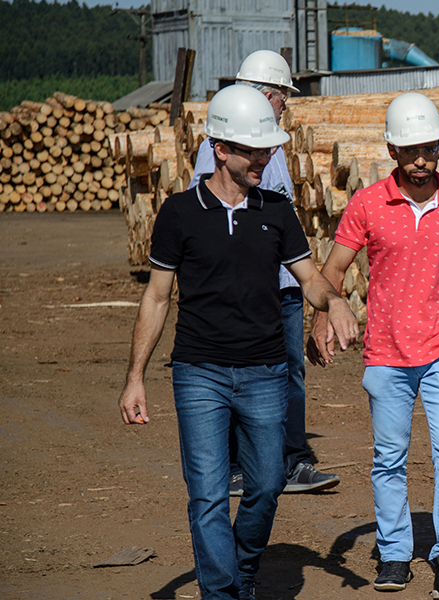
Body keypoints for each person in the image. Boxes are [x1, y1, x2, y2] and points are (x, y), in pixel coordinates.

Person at [117, 85, 359, 600]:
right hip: (199, 373)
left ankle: (241, 572)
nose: (264, 158)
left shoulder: (276, 211)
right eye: (253, 149)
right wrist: (135, 377)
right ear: (220, 149)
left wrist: (334, 302)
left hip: (266, 372)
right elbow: (158, 299)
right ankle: (224, 593)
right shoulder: (179, 213)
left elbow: (310, 278)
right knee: (206, 496)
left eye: (268, 148)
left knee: (267, 486)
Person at [307, 92, 439, 599]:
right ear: (391, 149)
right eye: (410, 150)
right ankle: (394, 555)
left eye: (429, 149)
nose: (420, 160)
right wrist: (321, 318)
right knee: (389, 459)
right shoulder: (367, 204)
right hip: (386, 353)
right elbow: (334, 269)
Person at [189, 50, 340, 496]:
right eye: (284, 100)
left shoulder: (272, 148)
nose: (284, 109)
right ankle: (237, 465)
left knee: (288, 370)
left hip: (286, 283)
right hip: (249, 286)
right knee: (237, 369)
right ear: (268, 94)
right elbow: (212, 217)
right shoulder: (219, 148)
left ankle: (292, 460)